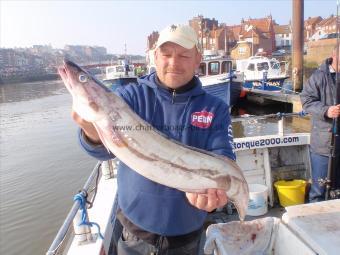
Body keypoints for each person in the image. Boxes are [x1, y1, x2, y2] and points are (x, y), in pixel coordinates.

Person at [72, 24, 235, 254]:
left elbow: (224, 157)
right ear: (155, 56)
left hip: (186, 238)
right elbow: (103, 151)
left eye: (184, 55)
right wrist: (91, 131)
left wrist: (217, 194)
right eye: (166, 54)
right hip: (133, 233)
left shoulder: (215, 108)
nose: (173, 63)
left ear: (198, 58)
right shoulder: (130, 98)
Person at [300, 46, 340, 202]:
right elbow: (306, 100)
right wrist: (326, 111)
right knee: (319, 189)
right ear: (334, 55)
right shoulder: (318, 76)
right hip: (324, 144)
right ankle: (314, 220)